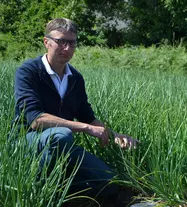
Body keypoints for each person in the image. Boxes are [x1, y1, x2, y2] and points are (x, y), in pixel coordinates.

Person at [13, 18, 137, 204]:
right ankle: (40, 189)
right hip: (28, 141)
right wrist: (86, 128)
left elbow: (87, 116)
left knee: (109, 180)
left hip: (62, 145)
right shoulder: (29, 72)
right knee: (61, 135)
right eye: (61, 41)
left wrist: (114, 135)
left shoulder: (75, 78)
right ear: (46, 42)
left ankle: (64, 191)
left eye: (72, 43)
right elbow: (35, 120)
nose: (67, 48)